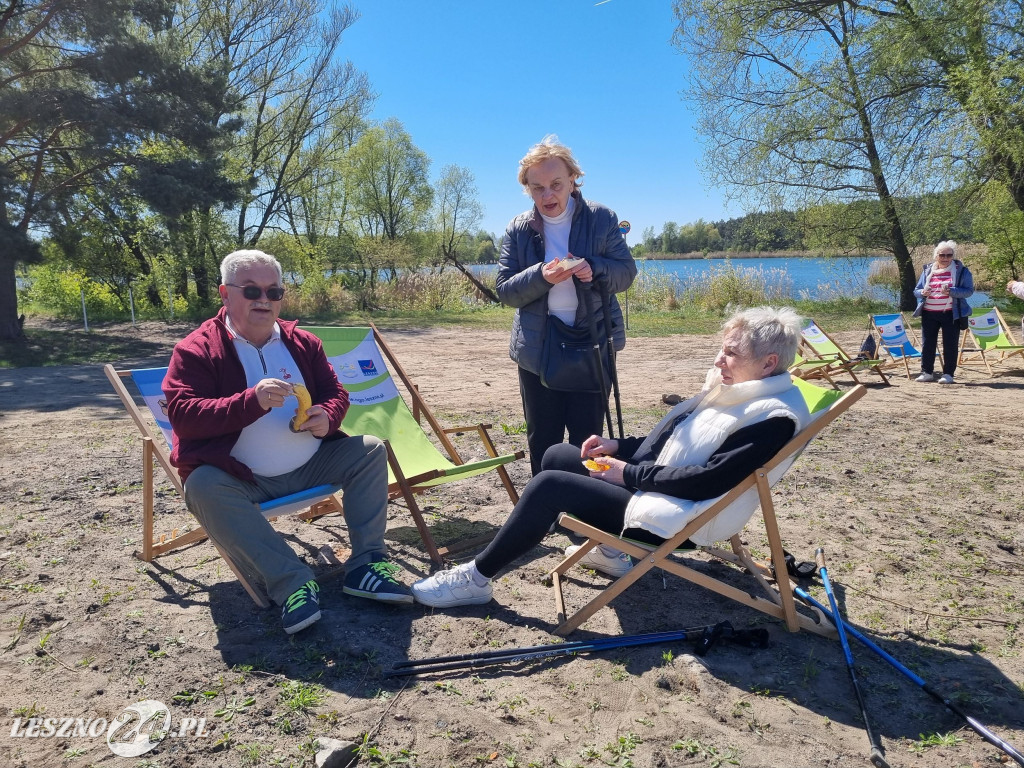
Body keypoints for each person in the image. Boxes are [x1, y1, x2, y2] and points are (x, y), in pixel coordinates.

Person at [411, 307, 810, 608]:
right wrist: (617, 447)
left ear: (768, 363)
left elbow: (706, 481)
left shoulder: (771, 419)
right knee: (558, 454)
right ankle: (614, 552)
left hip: (674, 519)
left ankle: (476, 580)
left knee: (550, 485)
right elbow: (671, 443)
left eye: (730, 353)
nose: (719, 361)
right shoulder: (739, 392)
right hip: (661, 494)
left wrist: (627, 474)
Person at [163, 249, 412, 635]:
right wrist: (250, 401)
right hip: (244, 478)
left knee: (369, 449)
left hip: (312, 463)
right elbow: (183, 415)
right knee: (201, 486)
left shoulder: (302, 343)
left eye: (274, 291)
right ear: (225, 294)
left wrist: (327, 416)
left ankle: (365, 565)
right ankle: (292, 582)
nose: (264, 300)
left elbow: (336, 392)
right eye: (251, 290)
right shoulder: (197, 350)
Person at [496, 135, 637, 476]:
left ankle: (583, 509)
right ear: (527, 188)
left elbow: (626, 273)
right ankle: (545, 507)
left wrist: (595, 268)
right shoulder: (518, 228)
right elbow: (505, 291)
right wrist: (543, 276)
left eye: (556, 184)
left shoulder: (602, 219)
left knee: (587, 437)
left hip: (592, 342)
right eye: (537, 187)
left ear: (573, 179)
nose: (548, 195)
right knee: (542, 435)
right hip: (536, 348)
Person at [912, 241, 974, 385]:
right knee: (927, 344)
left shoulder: (961, 271)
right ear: (936, 256)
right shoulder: (928, 270)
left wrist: (951, 291)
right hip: (929, 312)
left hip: (951, 313)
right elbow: (916, 290)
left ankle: (948, 374)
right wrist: (923, 292)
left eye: (949, 255)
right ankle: (927, 372)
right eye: (942, 255)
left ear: (953, 256)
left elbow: (969, 291)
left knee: (950, 344)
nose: (945, 258)